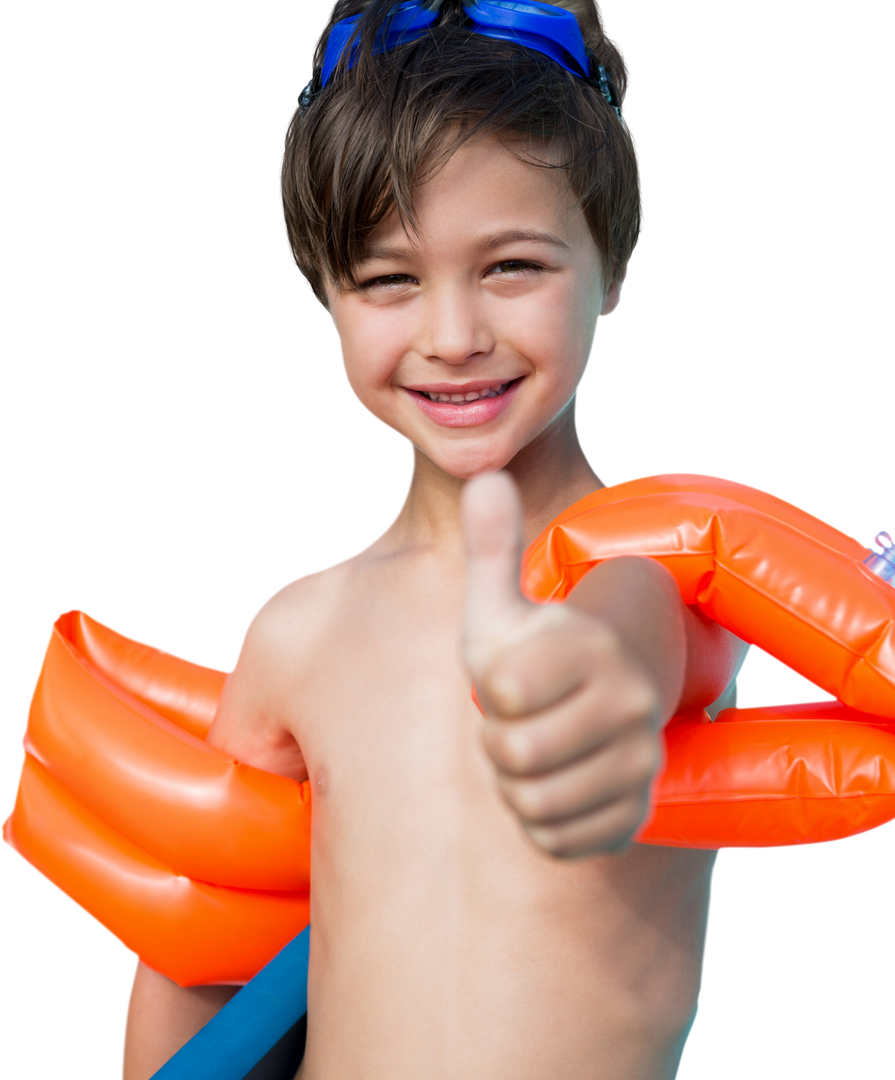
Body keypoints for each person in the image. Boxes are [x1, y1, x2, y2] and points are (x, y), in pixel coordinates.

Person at [119, 2, 752, 1077]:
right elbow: (197, 954)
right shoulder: (296, 630)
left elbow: (625, 648)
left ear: (618, 270)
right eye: (388, 280)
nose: (453, 336)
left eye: (511, 266)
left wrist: (589, 700)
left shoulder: (669, 577)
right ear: (325, 297)